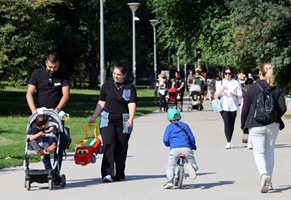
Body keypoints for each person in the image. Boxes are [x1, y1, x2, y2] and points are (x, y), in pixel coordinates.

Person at [89, 60, 137, 183]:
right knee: (109, 144)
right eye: (114, 73)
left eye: (119, 74)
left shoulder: (129, 87)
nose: (116, 76)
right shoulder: (106, 85)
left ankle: (119, 173)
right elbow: (101, 102)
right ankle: (107, 174)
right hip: (107, 119)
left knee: (121, 147)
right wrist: (94, 116)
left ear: (125, 75)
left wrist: (131, 118)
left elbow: (132, 103)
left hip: (124, 120)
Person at [241, 63, 286, 193]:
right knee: (269, 152)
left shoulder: (252, 88)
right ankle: (269, 181)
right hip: (273, 126)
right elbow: (283, 108)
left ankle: (263, 175)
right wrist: (273, 116)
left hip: (255, 125)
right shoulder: (276, 88)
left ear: (260, 73)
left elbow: (245, 109)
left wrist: (244, 126)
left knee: (259, 152)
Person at [26, 52, 70, 170]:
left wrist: (57, 109)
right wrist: (34, 111)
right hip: (41, 115)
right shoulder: (37, 73)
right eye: (50, 67)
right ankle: (48, 169)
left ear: (58, 64)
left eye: (54, 67)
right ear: (46, 63)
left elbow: (66, 95)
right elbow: (29, 93)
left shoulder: (63, 74)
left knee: (58, 142)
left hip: (56, 115)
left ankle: (56, 170)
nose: (52, 69)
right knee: (43, 140)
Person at [163, 108, 198, 189]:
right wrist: (193, 146)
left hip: (174, 149)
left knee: (171, 166)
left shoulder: (169, 127)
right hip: (186, 148)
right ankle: (192, 167)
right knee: (192, 162)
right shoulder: (185, 125)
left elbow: (165, 139)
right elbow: (191, 138)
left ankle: (170, 181)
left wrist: (169, 144)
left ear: (169, 118)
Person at [215, 67, 242, 149]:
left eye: (229, 73)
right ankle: (228, 141)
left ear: (232, 74)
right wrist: (221, 90)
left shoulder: (236, 83)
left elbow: (240, 95)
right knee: (226, 122)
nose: (227, 75)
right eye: (226, 73)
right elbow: (216, 95)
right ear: (223, 74)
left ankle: (230, 139)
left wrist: (234, 94)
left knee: (231, 123)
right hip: (224, 106)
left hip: (233, 106)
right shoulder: (220, 82)